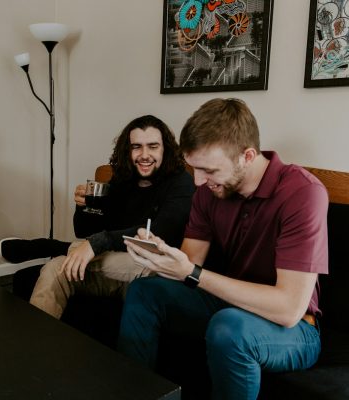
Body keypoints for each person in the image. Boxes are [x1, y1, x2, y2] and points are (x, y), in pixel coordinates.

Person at [118, 98, 328, 400]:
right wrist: (162, 256)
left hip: (296, 330)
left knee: (229, 327)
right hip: (230, 306)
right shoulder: (207, 191)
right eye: (194, 169)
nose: (199, 181)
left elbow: (288, 309)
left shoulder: (302, 193)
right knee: (145, 291)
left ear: (247, 156)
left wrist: (191, 272)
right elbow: (189, 262)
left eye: (209, 170)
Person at [24, 115, 194, 319]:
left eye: (153, 146)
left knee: (140, 264)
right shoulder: (123, 180)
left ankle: (54, 246)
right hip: (115, 266)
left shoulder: (181, 182)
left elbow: (161, 231)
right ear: (127, 150)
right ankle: (35, 346)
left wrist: (97, 243)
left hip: (152, 267)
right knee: (55, 269)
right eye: (136, 147)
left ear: (165, 149)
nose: (144, 154)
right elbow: (85, 232)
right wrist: (84, 207)